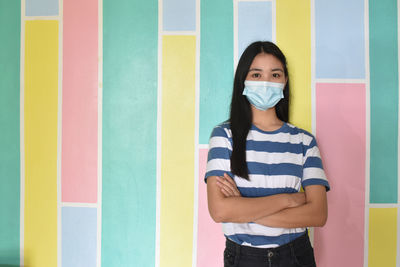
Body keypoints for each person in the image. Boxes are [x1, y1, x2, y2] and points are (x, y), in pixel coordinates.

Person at [205, 41, 330, 267]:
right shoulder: (224, 136)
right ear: (242, 79)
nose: (265, 82)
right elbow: (220, 210)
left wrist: (242, 208)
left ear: (285, 81)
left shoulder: (304, 141)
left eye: (275, 74)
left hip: (296, 255)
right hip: (244, 258)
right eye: (256, 74)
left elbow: (318, 214)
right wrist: (289, 200)